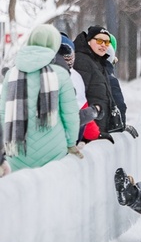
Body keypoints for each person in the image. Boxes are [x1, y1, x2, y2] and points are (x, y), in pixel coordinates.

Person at [0, 24, 81, 171]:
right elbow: (71, 116)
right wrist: (71, 143)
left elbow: (3, 115)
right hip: (54, 152)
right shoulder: (61, 74)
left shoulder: (11, 75)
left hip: (17, 154)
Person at [72, 26, 118, 140]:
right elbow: (79, 101)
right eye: (99, 41)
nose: (103, 45)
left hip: (96, 131)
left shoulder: (97, 62)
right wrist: (92, 132)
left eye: (107, 42)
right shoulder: (82, 61)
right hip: (86, 135)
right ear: (89, 41)